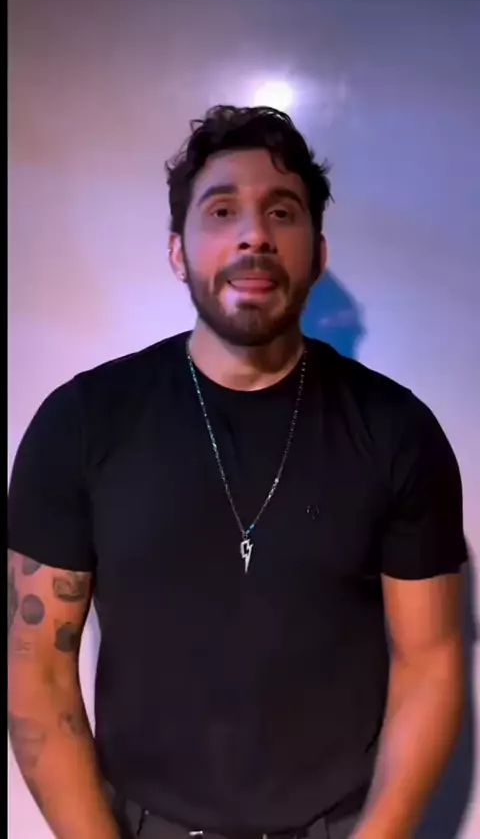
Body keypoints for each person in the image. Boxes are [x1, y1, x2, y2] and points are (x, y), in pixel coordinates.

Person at [8, 105, 466, 839]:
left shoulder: (397, 431)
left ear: (317, 252)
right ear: (177, 251)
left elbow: (431, 663)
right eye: (222, 211)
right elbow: (38, 674)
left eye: (282, 212)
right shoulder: (82, 422)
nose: (254, 234)